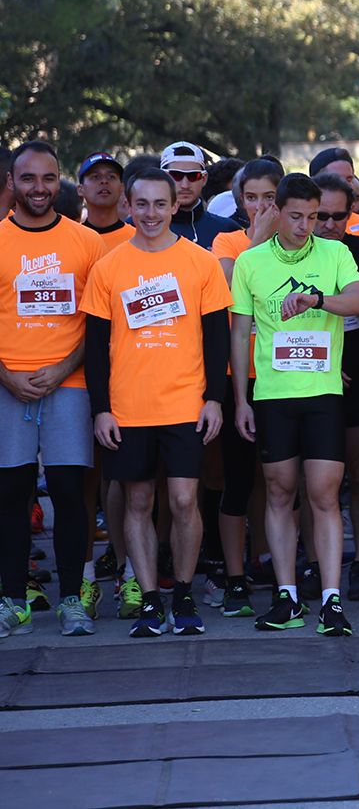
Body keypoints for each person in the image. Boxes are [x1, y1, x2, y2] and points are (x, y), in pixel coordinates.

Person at [83, 167, 232, 637]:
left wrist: (215, 399)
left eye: (160, 204)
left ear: (175, 206)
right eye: (141, 204)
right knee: (138, 501)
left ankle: (183, 594)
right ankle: (149, 599)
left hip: (186, 403)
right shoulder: (109, 266)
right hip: (128, 408)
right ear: (128, 206)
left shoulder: (201, 262)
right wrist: (101, 408)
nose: (151, 213)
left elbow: (217, 340)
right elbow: (95, 346)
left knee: (186, 499)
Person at [229, 173, 359, 636]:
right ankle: (286, 597)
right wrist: (240, 400)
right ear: (275, 211)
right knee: (278, 492)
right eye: (296, 216)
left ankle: (332, 600)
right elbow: (239, 334)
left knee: (325, 494)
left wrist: (315, 298)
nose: (306, 225)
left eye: (313, 216)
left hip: (324, 393)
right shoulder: (250, 263)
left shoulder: (335, 253)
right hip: (272, 395)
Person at [0, 142, 107, 639]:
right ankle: (12, 600)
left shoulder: (86, 243)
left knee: (69, 493)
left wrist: (64, 367)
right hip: (8, 386)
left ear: (59, 181)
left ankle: (72, 601)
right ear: (12, 184)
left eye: (47, 178)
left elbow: (98, 324)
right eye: (28, 179)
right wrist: (6, 375)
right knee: (11, 494)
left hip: (71, 385)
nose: (38, 188)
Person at [308, 173, 359, 603]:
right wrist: (324, 365)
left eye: (342, 215)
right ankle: (316, 563)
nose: (332, 224)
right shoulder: (294, 255)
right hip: (308, 371)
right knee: (315, 479)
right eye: (323, 215)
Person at [161, 142, 234, 248]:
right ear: (162, 177)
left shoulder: (227, 229)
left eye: (193, 176)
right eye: (176, 175)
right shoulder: (140, 227)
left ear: (204, 179)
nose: (185, 185)